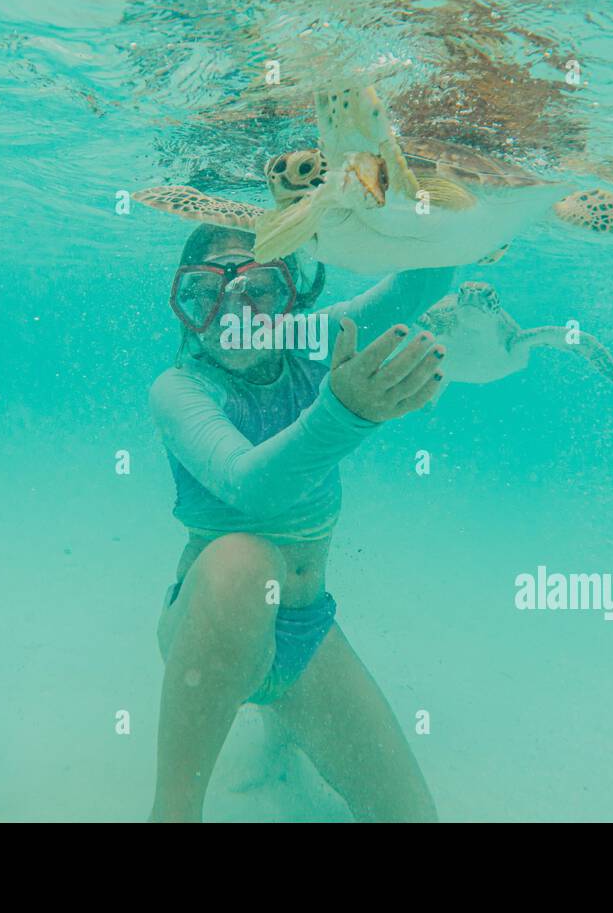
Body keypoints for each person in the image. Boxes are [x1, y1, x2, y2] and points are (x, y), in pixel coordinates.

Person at [148, 220, 453, 822]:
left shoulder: (316, 342)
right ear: (185, 307)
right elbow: (251, 488)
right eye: (206, 294)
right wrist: (345, 413)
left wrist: (433, 195)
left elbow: (429, 278)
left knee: (413, 818)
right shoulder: (179, 388)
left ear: (293, 295)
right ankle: (172, 813)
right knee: (246, 561)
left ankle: (281, 728)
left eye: (259, 287)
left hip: (305, 637)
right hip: (207, 627)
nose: (234, 309)